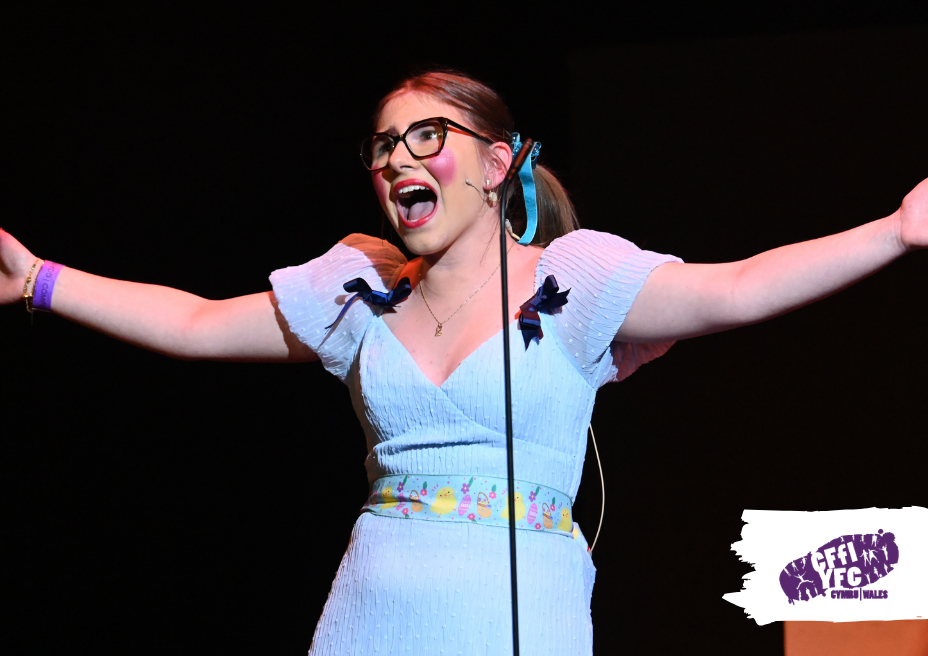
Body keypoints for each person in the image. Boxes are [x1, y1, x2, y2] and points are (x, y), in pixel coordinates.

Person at [1, 69, 925, 655]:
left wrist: (895, 231)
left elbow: (740, 287)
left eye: (427, 136)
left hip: (519, 616)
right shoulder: (358, 292)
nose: (398, 157)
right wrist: (39, 278)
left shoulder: (572, 280)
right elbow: (196, 322)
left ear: (495, 164)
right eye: (383, 145)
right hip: (371, 614)